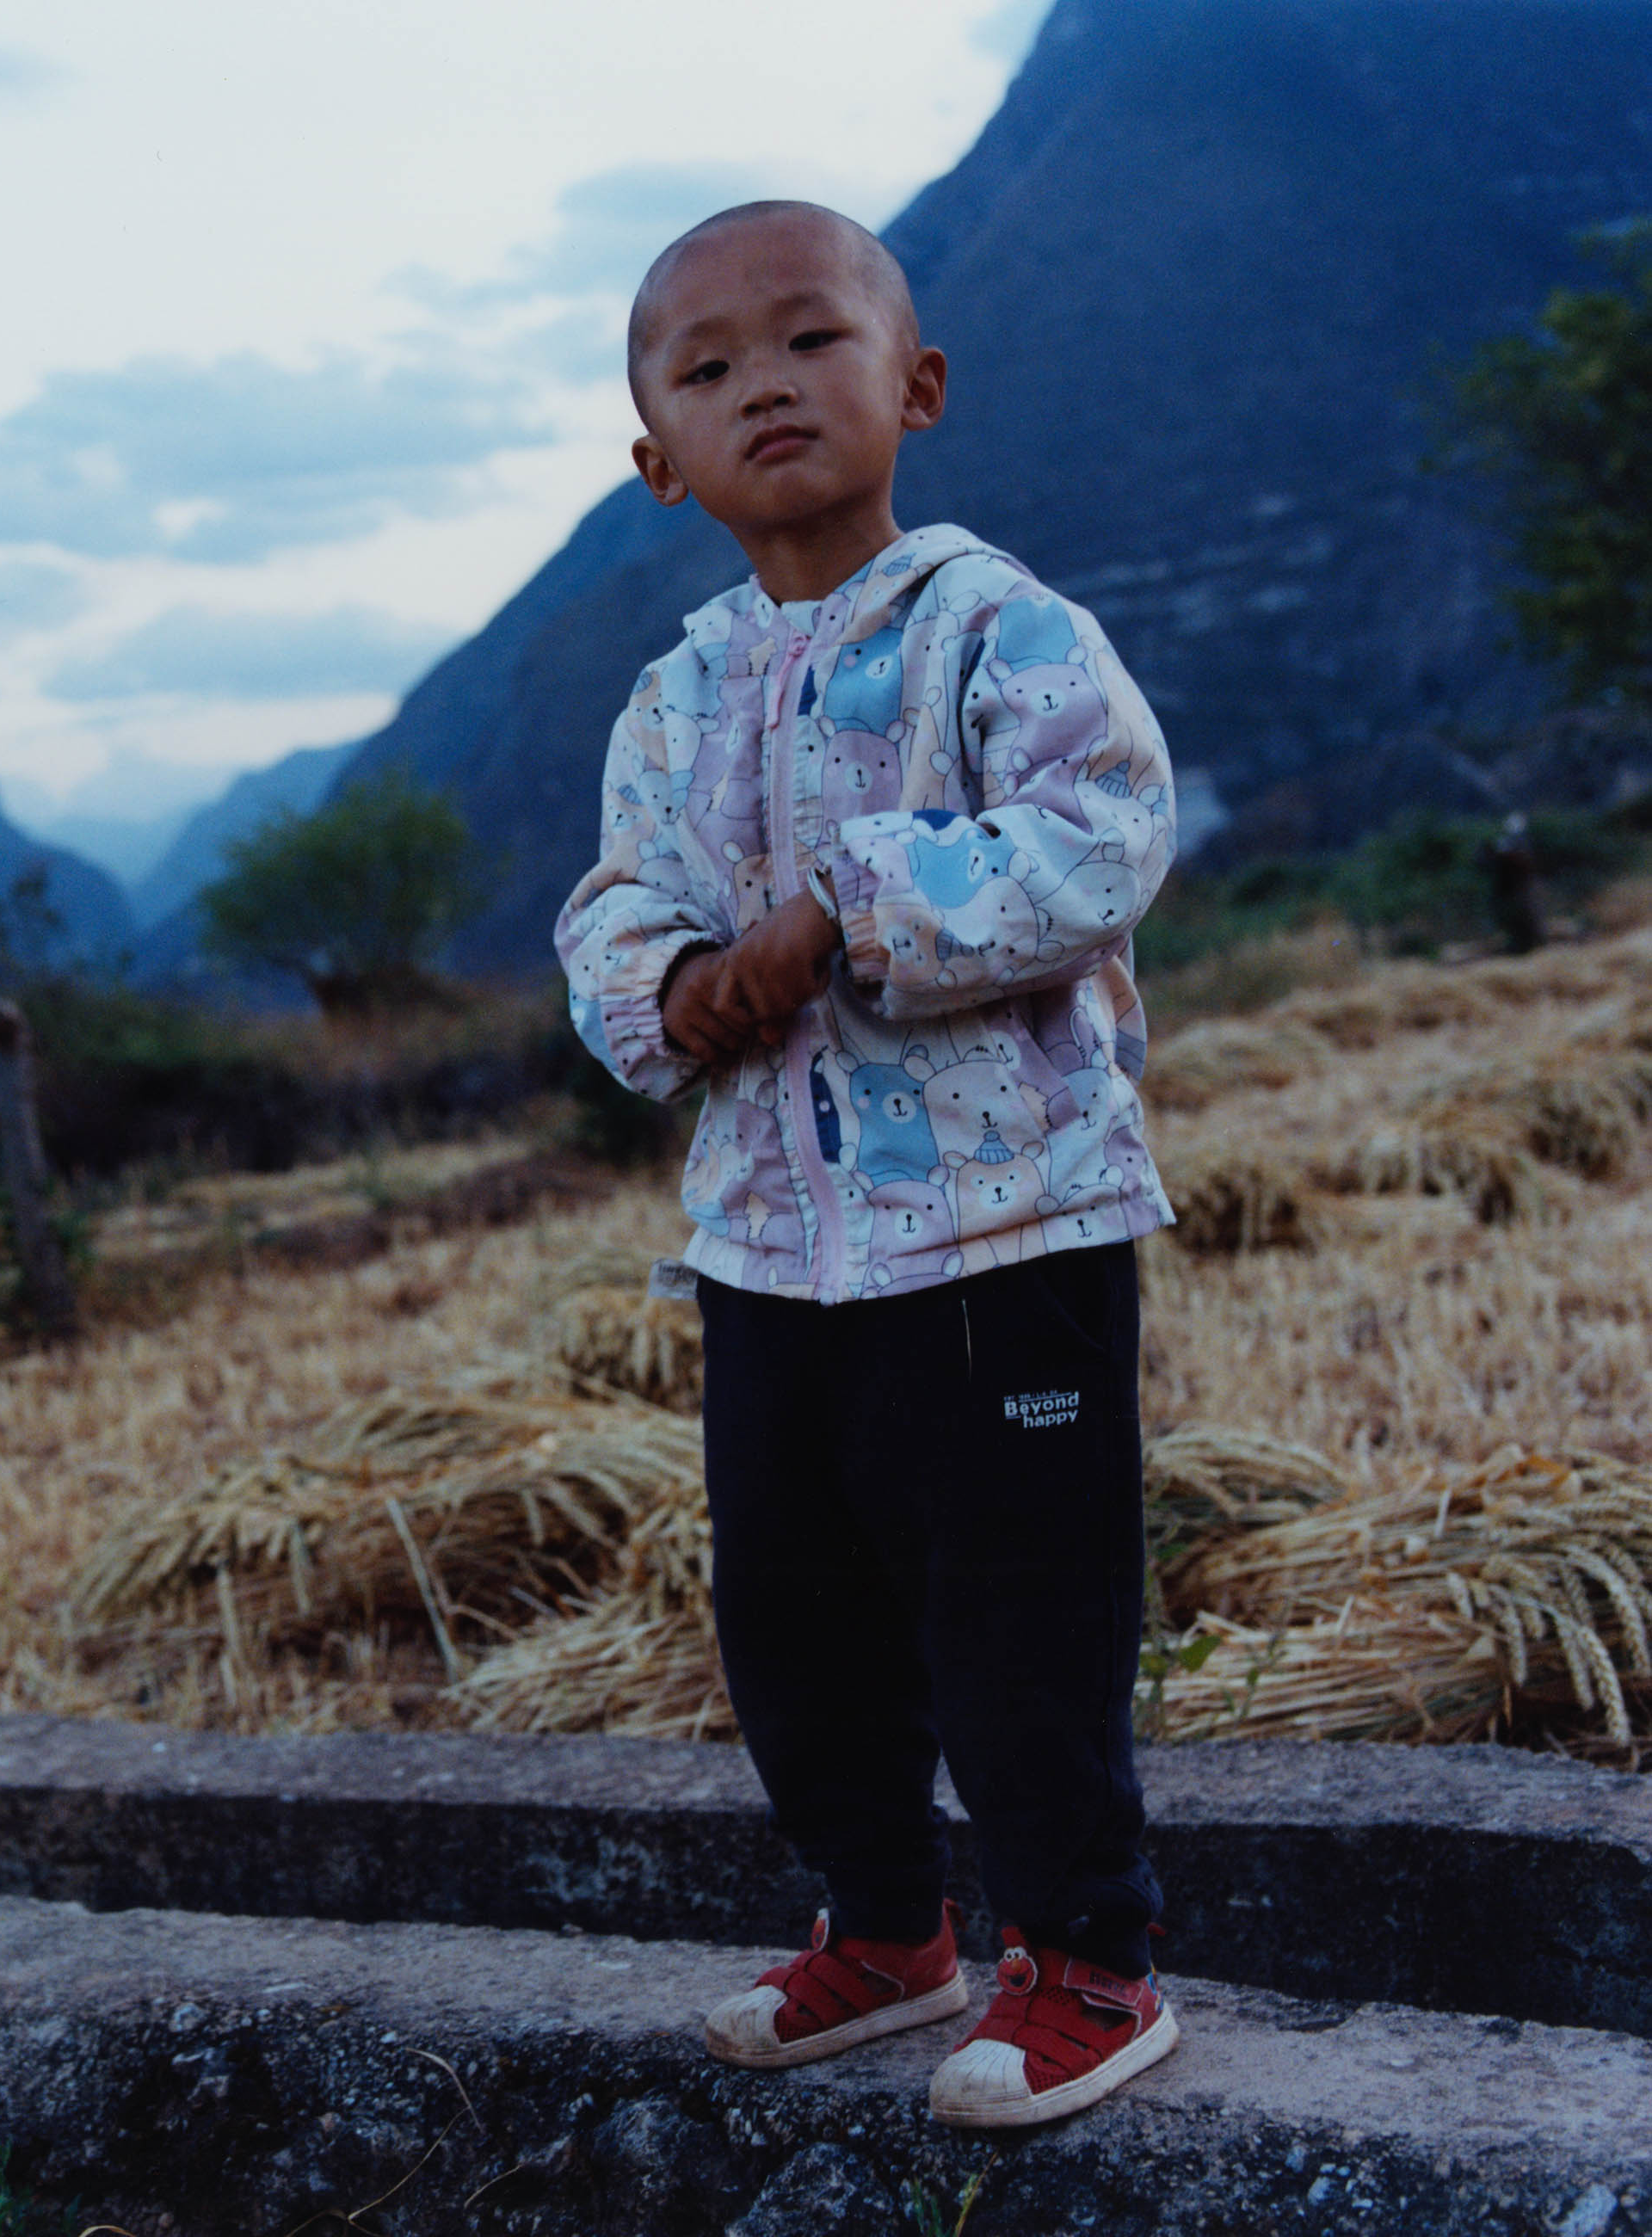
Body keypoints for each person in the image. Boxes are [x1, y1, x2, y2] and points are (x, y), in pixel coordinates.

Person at [553, 200, 1181, 2129]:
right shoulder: (672, 698)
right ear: (657, 457)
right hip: (770, 1255)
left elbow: (1103, 835)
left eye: (813, 341)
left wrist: (843, 911)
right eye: (709, 366)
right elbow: (610, 915)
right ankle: (888, 1924)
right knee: (796, 1613)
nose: (768, 386)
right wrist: (673, 985)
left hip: (1003, 1231)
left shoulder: (997, 629)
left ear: (914, 385)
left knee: (1019, 1609)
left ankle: (1086, 1962)